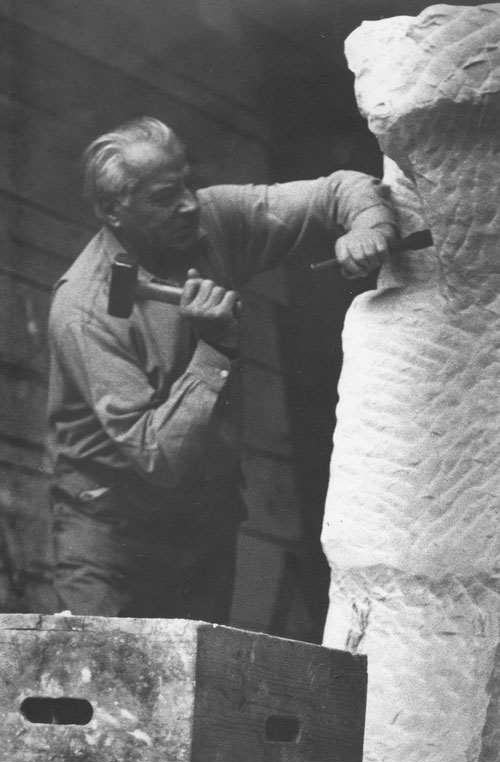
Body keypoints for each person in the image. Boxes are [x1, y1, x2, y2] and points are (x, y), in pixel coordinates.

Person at [47, 116, 396, 621]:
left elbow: (335, 191)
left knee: (194, 678)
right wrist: (214, 348)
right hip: (108, 527)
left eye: (188, 181)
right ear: (111, 209)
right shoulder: (84, 309)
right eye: (165, 196)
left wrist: (370, 223)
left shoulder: (213, 220)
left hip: (202, 511)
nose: (189, 202)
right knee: (98, 678)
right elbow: (156, 455)